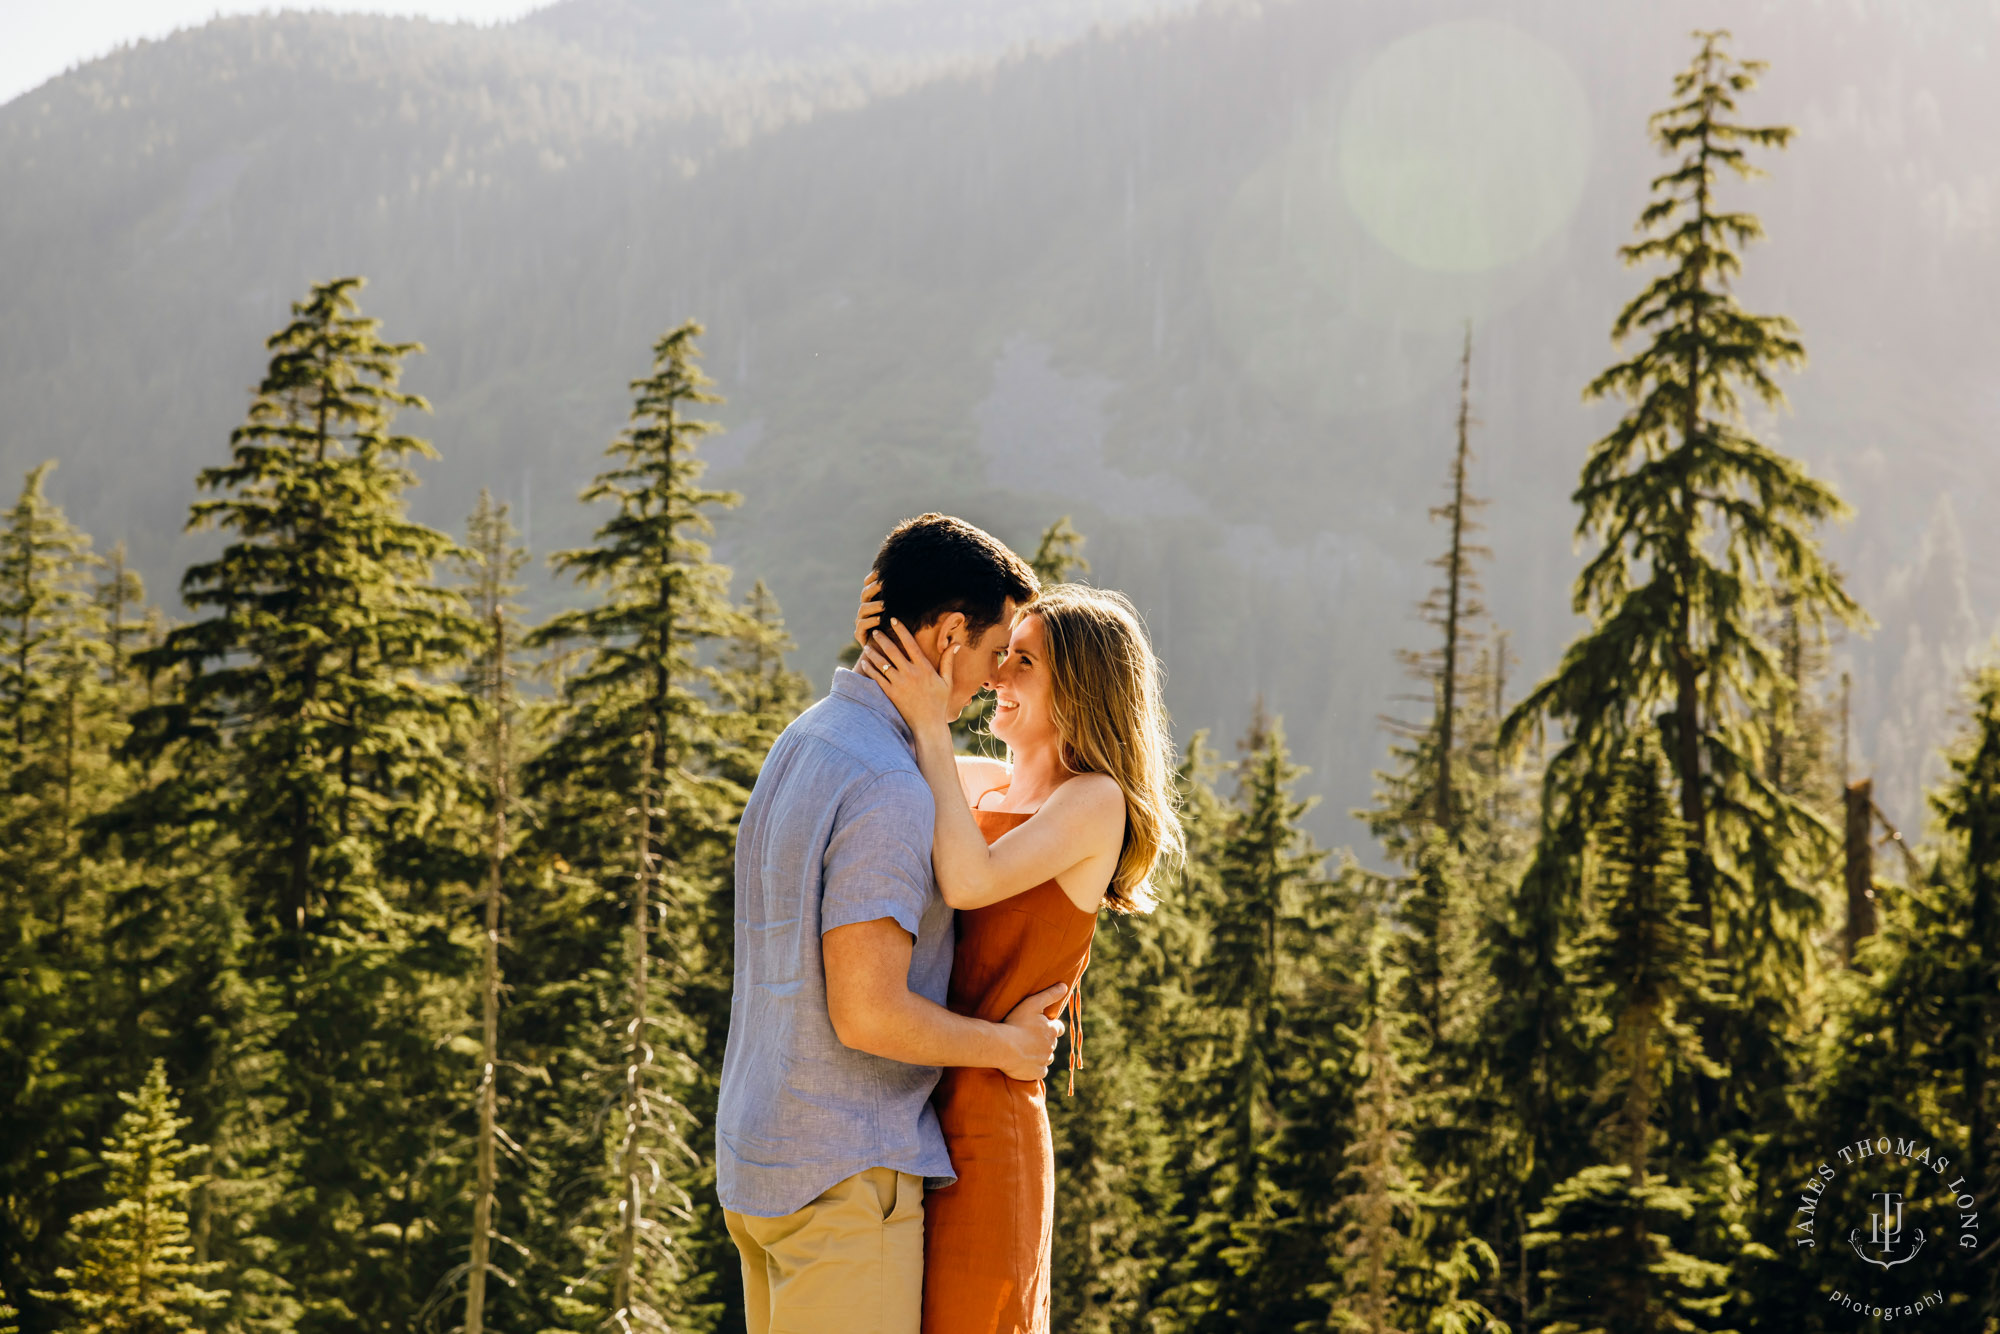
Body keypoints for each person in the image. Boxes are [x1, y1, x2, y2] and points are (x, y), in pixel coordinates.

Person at [715, 513, 1062, 1334]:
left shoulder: (809, 740)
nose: (991, 680)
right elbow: (866, 1010)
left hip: (764, 1164)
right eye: (989, 651)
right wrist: (1008, 1048)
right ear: (947, 634)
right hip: (845, 1182)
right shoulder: (889, 788)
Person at [854, 578, 1182, 1334]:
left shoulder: (1093, 799)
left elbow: (970, 882)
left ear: (1083, 689)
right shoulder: (987, 784)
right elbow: (878, 748)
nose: (996, 676)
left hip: (991, 1123)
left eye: (1023, 663)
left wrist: (936, 734)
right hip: (917, 1108)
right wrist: (884, 637)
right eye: (1005, 656)